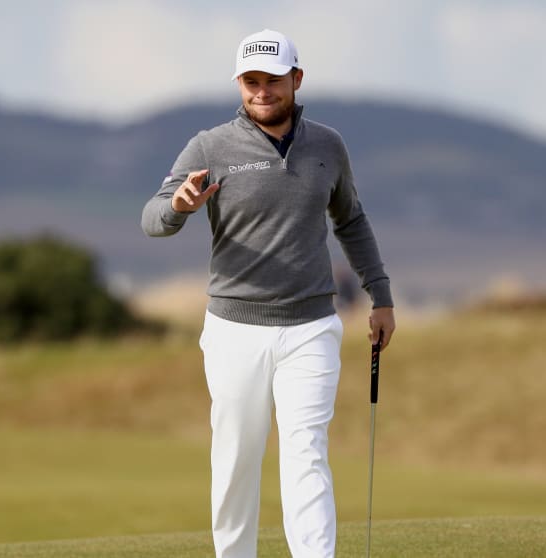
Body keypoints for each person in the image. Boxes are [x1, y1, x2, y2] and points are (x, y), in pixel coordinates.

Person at [141, 28, 395, 558]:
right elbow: (152, 217)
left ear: (296, 79)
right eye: (251, 81)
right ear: (239, 83)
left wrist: (381, 295)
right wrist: (179, 206)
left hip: (311, 327)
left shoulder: (328, 145)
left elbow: (351, 220)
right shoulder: (210, 146)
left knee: (306, 454)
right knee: (236, 459)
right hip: (235, 331)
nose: (262, 92)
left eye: (273, 80)